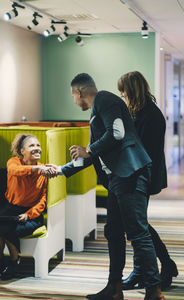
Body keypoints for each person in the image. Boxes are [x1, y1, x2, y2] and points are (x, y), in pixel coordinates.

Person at [50, 73, 166, 300]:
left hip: (130, 173)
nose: (74, 100)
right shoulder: (98, 112)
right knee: (113, 232)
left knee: (138, 232)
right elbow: (92, 153)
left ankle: (154, 291)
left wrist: (90, 150)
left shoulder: (104, 99)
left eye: (73, 96)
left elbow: (118, 133)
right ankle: (114, 288)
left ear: (79, 92)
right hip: (117, 179)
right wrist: (60, 170)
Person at [117, 71, 178, 291]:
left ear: (131, 90)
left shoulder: (150, 115)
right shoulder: (140, 112)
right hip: (137, 175)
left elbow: (142, 151)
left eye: (123, 91)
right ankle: (141, 271)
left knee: (137, 225)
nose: (122, 95)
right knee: (136, 224)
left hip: (143, 176)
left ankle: (166, 264)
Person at [0, 133, 55, 280]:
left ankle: (14, 262)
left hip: (31, 213)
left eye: (38, 145)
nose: (37, 148)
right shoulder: (14, 162)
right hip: (11, 208)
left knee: (9, 229)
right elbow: (16, 172)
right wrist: (37, 170)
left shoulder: (43, 169)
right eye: (32, 145)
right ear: (22, 151)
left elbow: (43, 200)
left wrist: (30, 214)